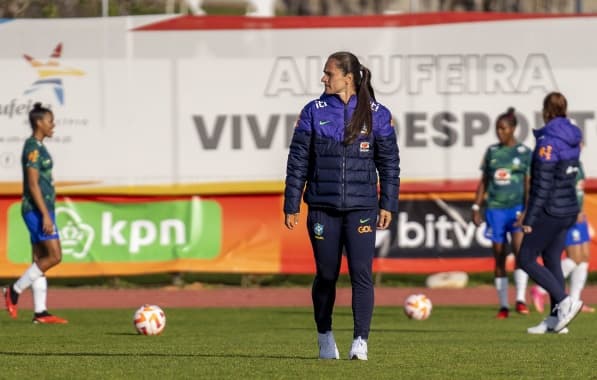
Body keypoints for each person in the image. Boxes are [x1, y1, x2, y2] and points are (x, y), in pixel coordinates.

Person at [283, 51, 400, 360]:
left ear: (348, 78)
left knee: (362, 274)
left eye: (328, 73)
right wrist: (292, 203)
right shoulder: (312, 111)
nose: (323, 78)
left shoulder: (378, 113)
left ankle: (360, 342)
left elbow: (389, 164)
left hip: (362, 207)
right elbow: (297, 162)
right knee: (326, 275)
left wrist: (387, 202)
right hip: (323, 206)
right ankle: (325, 337)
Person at [518, 92, 584, 334]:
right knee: (551, 258)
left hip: (551, 208)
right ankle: (557, 321)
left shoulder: (548, 139)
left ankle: (564, 301)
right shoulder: (573, 136)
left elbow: (542, 183)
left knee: (525, 257)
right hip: (568, 207)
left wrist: (530, 217)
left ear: (546, 111)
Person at [3, 102, 67, 324]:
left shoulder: (39, 147)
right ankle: (13, 290)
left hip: (43, 208)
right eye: (50, 121)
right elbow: (32, 184)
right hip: (37, 209)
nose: (53, 125)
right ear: (39, 122)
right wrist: (46, 215)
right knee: (55, 256)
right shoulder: (32, 148)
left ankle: (40, 312)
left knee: (40, 258)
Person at [472, 107, 531, 319]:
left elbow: (528, 183)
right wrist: (476, 207)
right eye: (497, 128)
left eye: (503, 128)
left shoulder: (524, 153)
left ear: (513, 129)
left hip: (516, 210)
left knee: (520, 252)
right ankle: (504, 306)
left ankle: (521, 299)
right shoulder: (492, 152)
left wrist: (527, 210)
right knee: (499, 256)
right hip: (495, 209)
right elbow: (484, 181)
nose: (499, 132)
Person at [530, 158, 595, 314]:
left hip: (579, 214)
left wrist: (581, 208)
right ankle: (540, 290)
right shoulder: (560, 163)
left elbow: (579, 189)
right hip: (567, 213)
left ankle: (574, 300)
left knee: (585, 256)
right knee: (575, 257)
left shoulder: (578, 163)